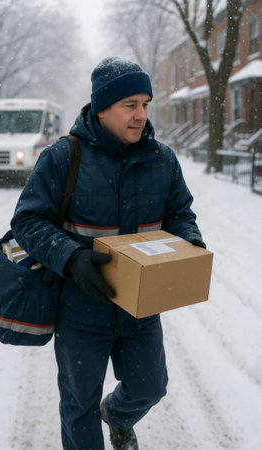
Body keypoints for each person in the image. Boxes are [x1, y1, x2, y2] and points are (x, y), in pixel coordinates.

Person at [11, 56, 206, 450]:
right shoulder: (63, 157)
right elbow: (28, 222)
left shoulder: (161, 159)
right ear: (102, 109)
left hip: (141, 307)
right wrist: (72, 258)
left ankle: (116, 416)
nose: (141, 116)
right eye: (130, 105)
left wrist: (190, 244)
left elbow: (179, 212)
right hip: (81, 309)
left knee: (150, 387)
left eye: (145, 105)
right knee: (78, 404)